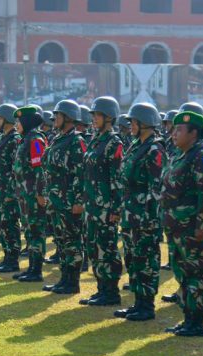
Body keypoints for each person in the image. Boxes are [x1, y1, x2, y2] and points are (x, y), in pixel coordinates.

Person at [161, 111, 203, 337]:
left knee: (196, 274)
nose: (174, 134)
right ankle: (187, 318)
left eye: (180, 130)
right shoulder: (179, 155)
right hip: (177, 228)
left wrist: (201, 226)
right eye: (173, 129)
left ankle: (197, 322)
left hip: (194, 229)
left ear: (194, 133)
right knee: (182, 273)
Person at [114, 102, 166, 321]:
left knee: (146, 260)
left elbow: (158, 187)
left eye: (134, 121)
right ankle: (137, 302)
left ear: (145, 123)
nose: (130, 125)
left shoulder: (155, 149)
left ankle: (147, 305)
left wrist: (148, 216)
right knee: (133, 259)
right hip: (130, 214)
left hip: (145, 218)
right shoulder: (136, 145)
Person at [80, 96, 124, 306]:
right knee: (93, 248)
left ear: (109, 117)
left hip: (106, 207)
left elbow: (117, 179)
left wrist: (116, 208)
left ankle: (111, 292)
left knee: (107, 248)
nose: (94, 119)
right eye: (93, 115)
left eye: (98, 115)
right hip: (92, 205)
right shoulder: (95, 140)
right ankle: (101, 289)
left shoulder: (114, 143)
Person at [41, 100, 86, 294]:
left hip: (68, 201)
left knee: (72, 241)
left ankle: (73, 282)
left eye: (58, 115)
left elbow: (81, 173)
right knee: (61, 241)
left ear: (68, 118)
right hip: (56, 200)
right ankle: (64, 278)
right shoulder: (58, 138)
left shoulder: (77, 141)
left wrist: (78, 200)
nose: (54, 119)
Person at [11, 106, 48, 282]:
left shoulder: (35, 140)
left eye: (19, 121)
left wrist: (41, 194)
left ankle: (37, 270)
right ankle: (31, 268)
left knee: (36, 231)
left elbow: (40, 169)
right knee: (29, 231)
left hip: (33, 195)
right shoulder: (25, 139)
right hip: (25, 194)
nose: (16, 124)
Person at [0, 103, 22, 273]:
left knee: (10, 225)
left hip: (8, 193)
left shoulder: (15, 139)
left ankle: (13, 259)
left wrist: (10, 192)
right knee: (2, 225)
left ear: (8, 119)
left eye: (0, 118)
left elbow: (15, 169)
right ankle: (7, 257)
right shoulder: (4, 137)